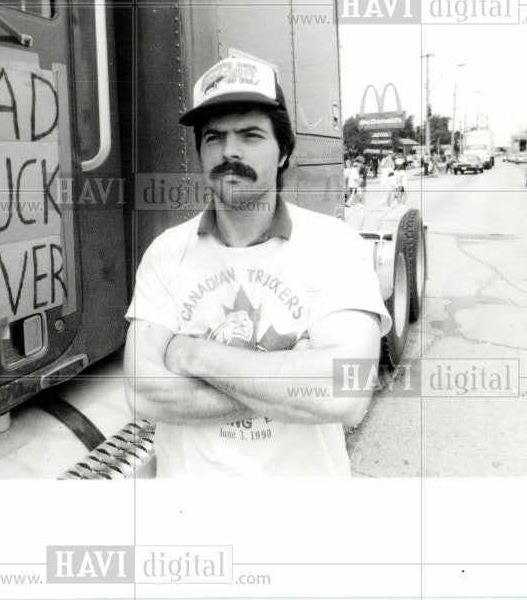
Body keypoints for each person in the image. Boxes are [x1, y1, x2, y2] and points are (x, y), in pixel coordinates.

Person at [123, 57, 391, 477]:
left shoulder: (333, 245)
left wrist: (191, 353)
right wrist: (288, 379)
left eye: (250, 135)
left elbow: (346, 392)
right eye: (213, 137)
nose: (229, 151)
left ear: (283, 152)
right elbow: (145, 394)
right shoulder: (166, 252)